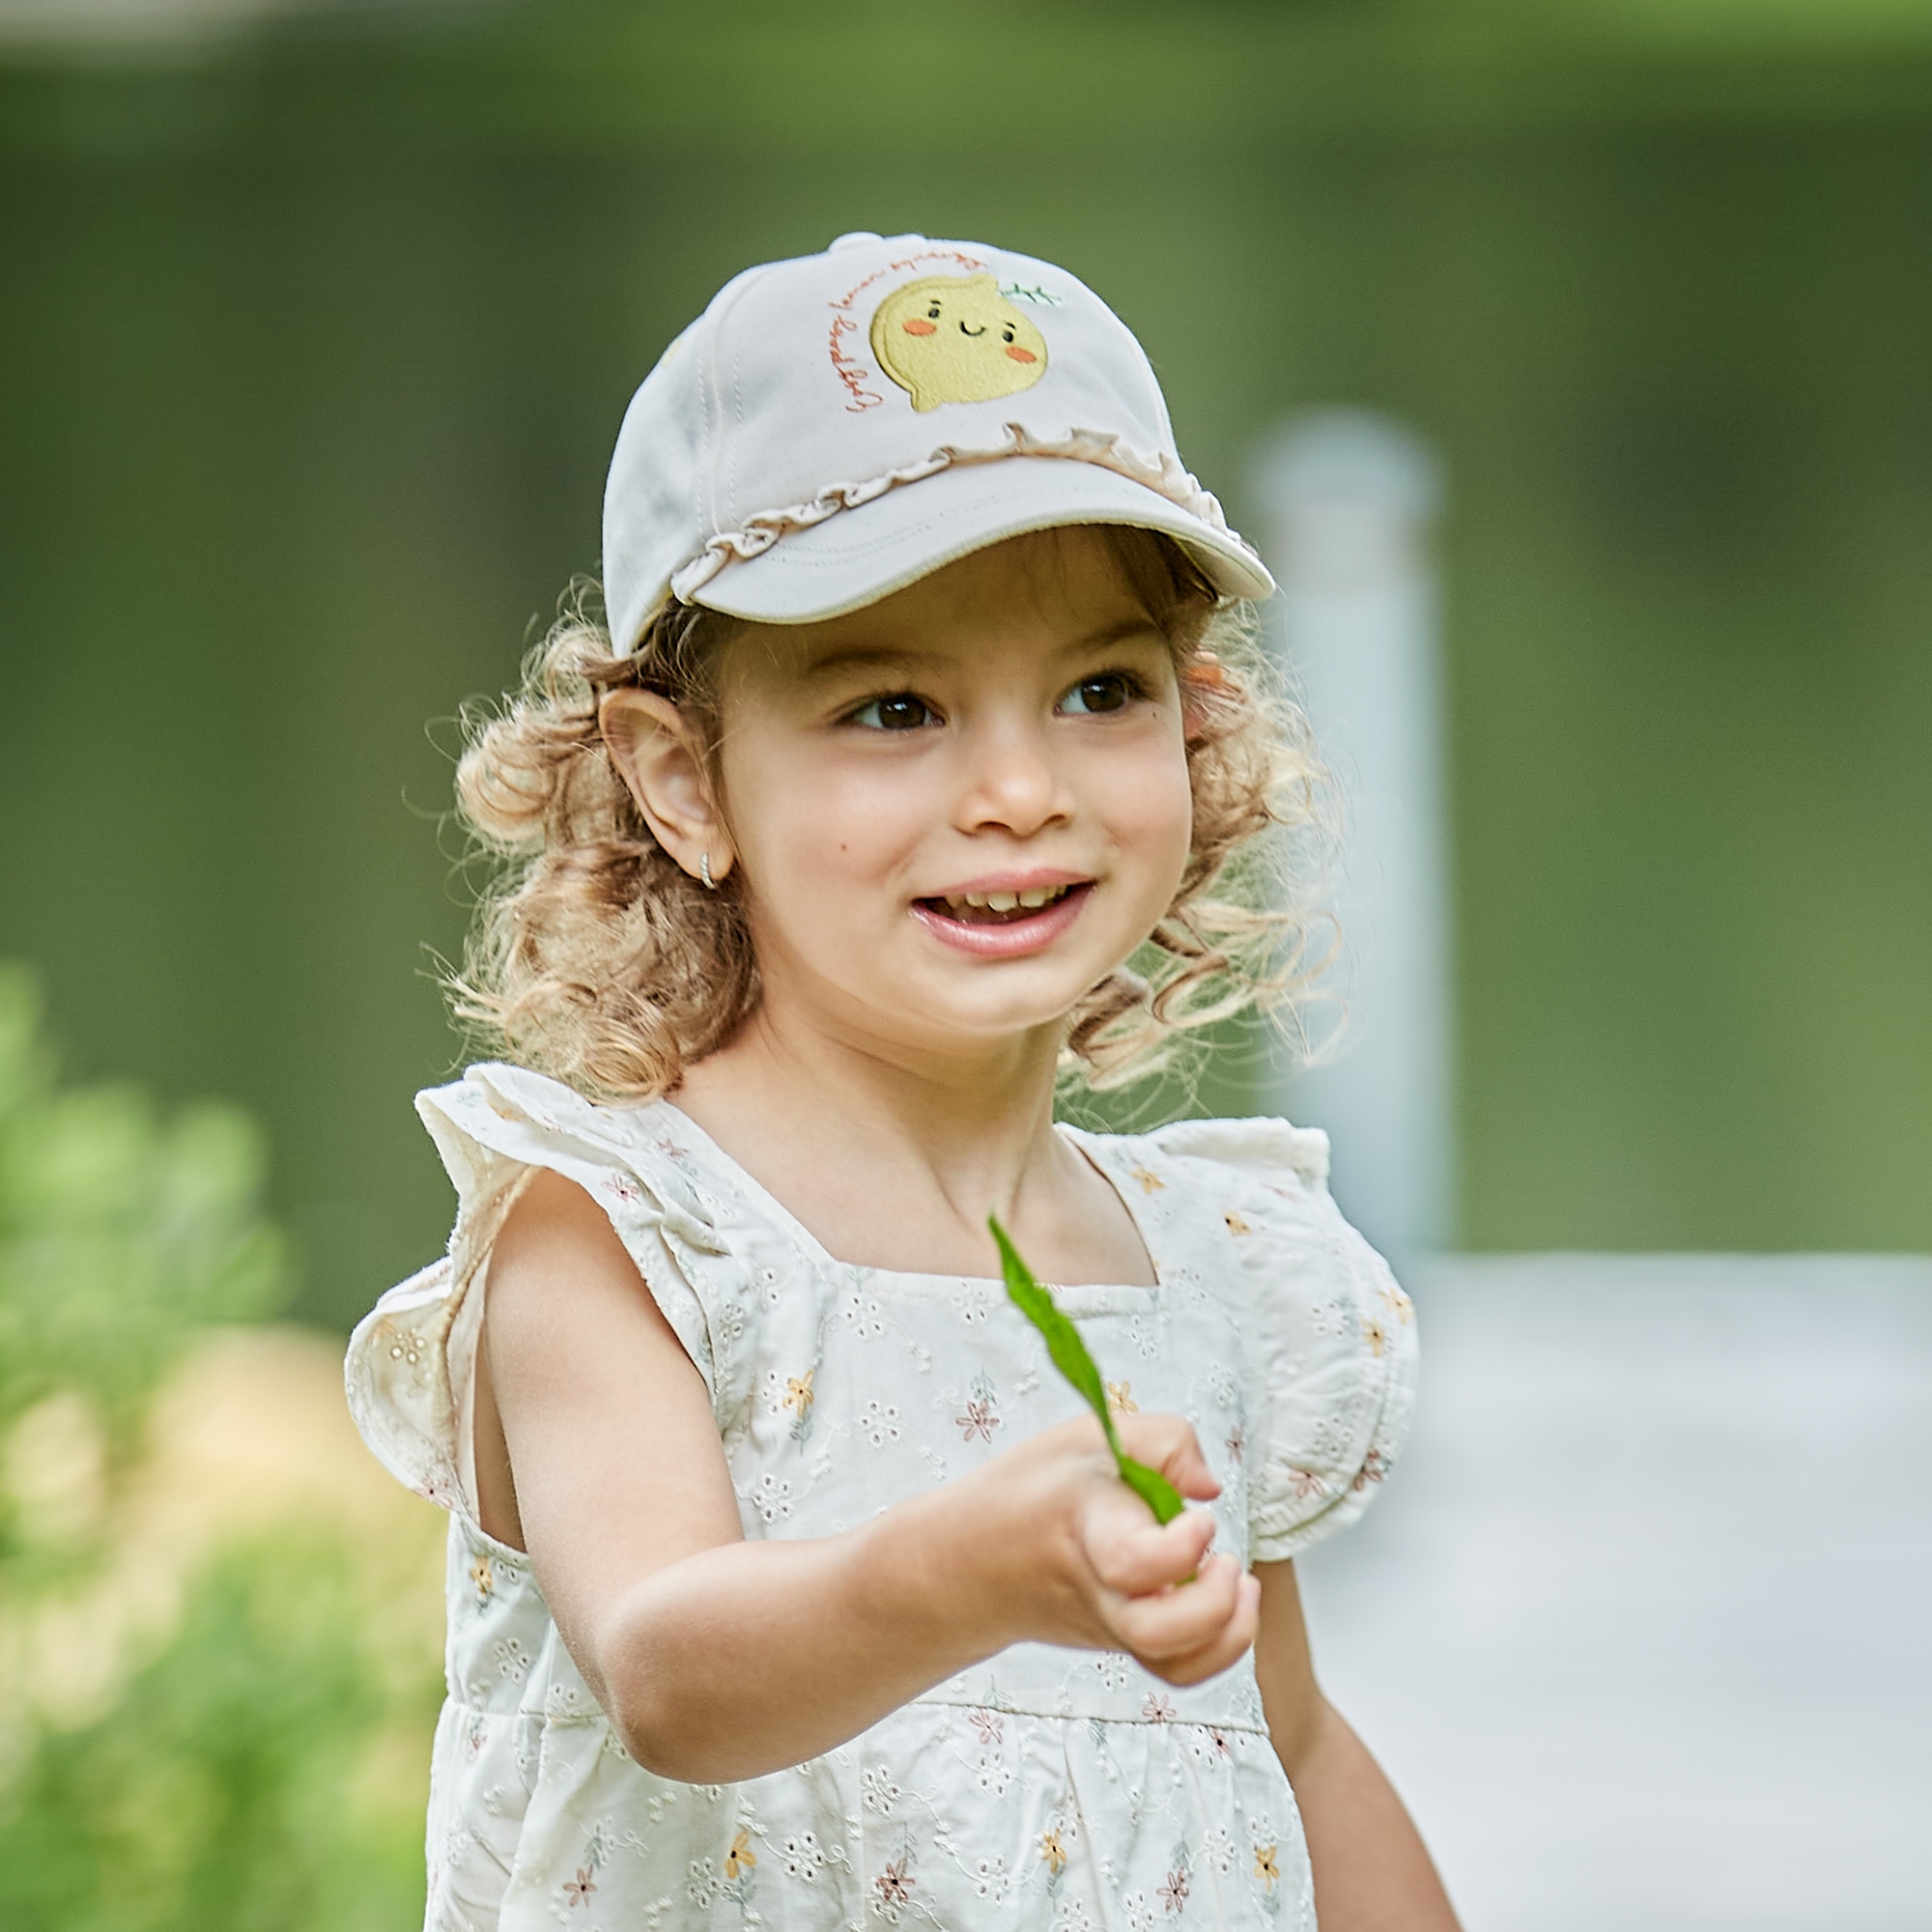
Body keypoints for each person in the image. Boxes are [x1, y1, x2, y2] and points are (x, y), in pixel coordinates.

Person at [348, 232, 1458, 1932]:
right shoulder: (626, 1237)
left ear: (1194, 722)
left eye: (1100, 690)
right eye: (891, 709)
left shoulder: (1220, 1276)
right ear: (680, 782)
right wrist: (964, 1571)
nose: (1017, 787)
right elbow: (669, 1669)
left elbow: (1290, 1746)